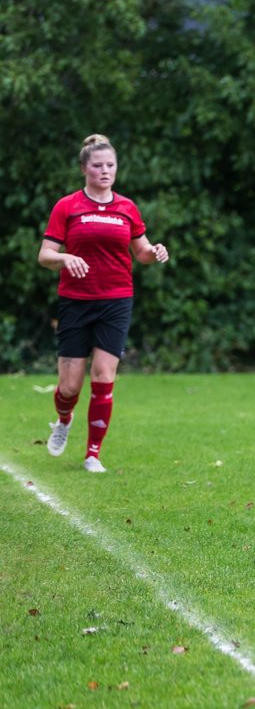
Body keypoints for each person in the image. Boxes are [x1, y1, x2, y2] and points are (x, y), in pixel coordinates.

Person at [39, 134, 169, 473]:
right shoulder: (67, 206)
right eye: (97, 166)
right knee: (69, 387)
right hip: (75, 301)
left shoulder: (126, 208)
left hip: (115, 299)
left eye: (110, 165)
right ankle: (64, 419)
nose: (105, 171)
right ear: (84, 169)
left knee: (103, 375)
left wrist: (154, 253)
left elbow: (140, 252)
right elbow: (45, 255)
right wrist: (65, 258)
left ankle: (92, 454)